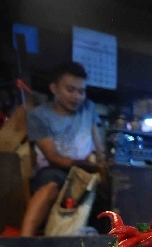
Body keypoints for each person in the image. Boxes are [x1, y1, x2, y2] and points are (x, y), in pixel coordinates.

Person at [21, 61, 107, 236]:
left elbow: (99, 147)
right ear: (54, 89)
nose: (77, 96)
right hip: (55, 168)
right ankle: (25, 238)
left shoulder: (88, 107)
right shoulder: (38, 116)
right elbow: (52, 157)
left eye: (81, 91)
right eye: (70, 90)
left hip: (87, 170)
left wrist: (102, 163)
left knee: (109, 189)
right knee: (51, 185)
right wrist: (88, 166)